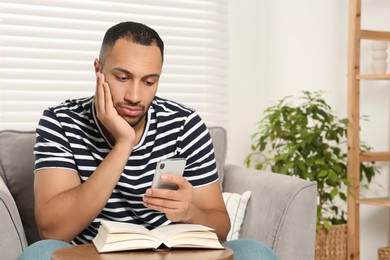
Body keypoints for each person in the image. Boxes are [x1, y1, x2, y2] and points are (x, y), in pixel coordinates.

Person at [19, 21, 277, 260]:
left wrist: (189, 213)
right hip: (92, 256)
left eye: (149, 81)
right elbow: (54, 231)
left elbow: (221, 228)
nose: (134, 96)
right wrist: (123, 144)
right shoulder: (62, 121)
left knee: (255, 251)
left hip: (172, 256)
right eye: (122, 78)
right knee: (40, 253)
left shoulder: (184, 124)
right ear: (98, 70)